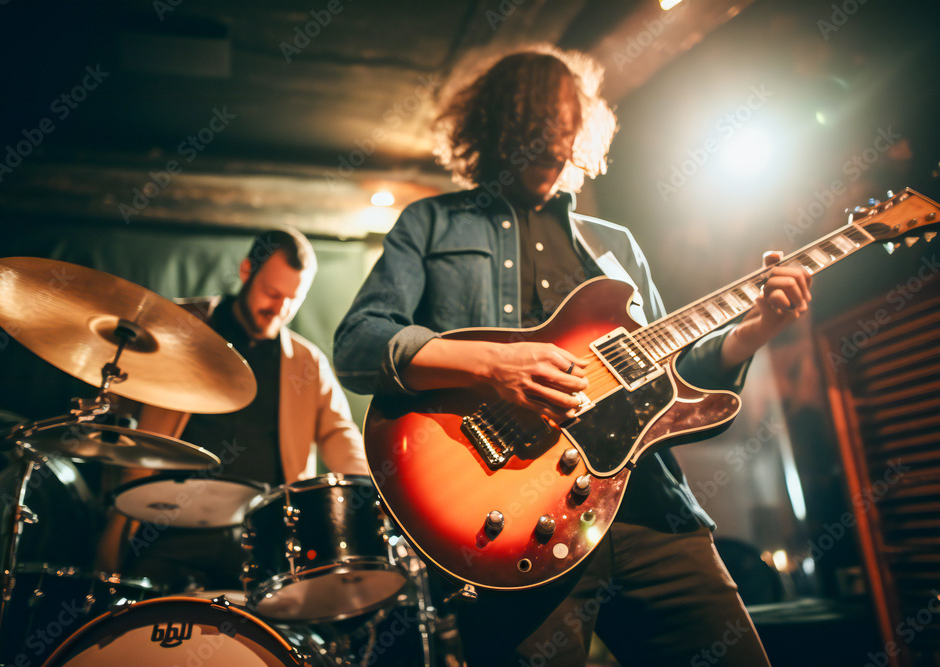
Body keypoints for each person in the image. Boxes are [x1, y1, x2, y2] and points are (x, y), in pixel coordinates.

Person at [333, 45, 812, 666]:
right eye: (536, 123)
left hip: (649, 513)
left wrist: (752, 331)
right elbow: (359, 343)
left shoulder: (615, 245)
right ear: (495, 124)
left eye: (565, 126)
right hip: (507, 526)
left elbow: (672, 380)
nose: (554, 142)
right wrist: (492, 366)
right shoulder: (432, 223)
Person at [120, 226, 368, 592]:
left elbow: (338, 432)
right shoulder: (185, 331)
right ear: (246, 271)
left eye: (293, 299)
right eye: (272, 293)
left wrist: (367, 486)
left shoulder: (307, 363)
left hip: (261, 540)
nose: (280, 309)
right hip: (167, 527)